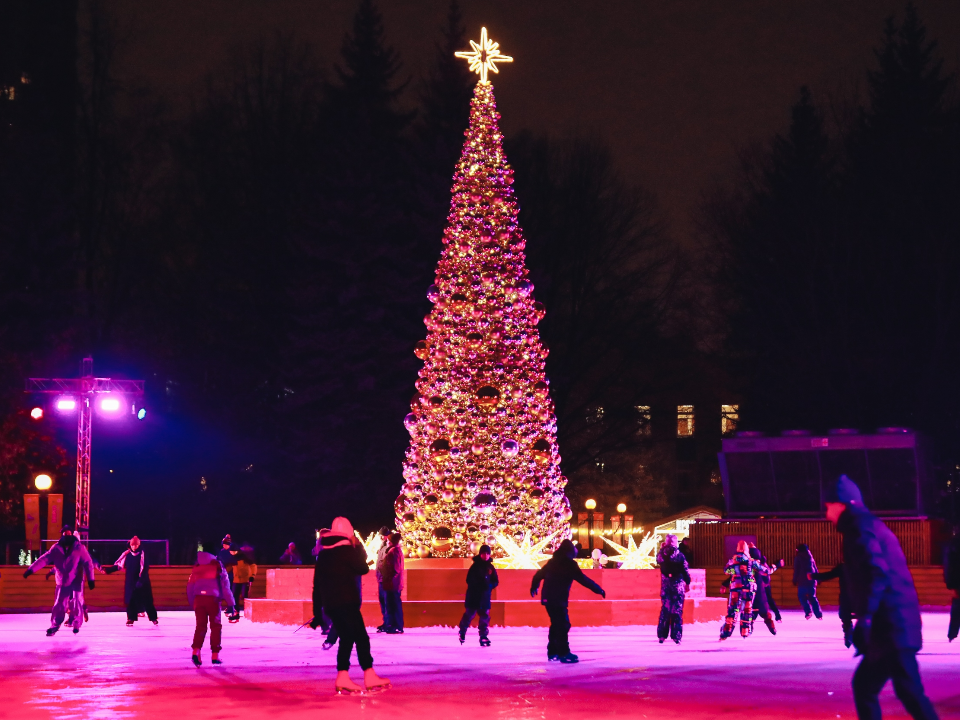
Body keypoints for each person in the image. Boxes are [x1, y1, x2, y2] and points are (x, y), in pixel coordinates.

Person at [826, 475, 939, 720]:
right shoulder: (866, 525)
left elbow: (876, 572)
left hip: (891, 625)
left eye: (828, 507)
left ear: (842, 503)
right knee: (891, 689)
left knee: (894, 690)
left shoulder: (859, 529)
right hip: (894, 623)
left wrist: (865, 618)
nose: (826, 515)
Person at [314, 516, 390, 695]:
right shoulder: (347, 550)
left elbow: (317, 584)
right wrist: (356, 547)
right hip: (347, 602)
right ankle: (369, 674)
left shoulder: (324, 553)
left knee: (347, 638)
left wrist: (318, 612)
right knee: (361, 638)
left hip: (331, 604)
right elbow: (363, 568)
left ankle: (342, 676)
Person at [530, 538, 605, 663]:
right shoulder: (570, 565)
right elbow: (584, 580)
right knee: (563, 624)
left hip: (548, 598)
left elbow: (538, 574)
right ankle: (563, 653)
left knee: (556, 624)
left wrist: (534, 586)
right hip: (558, 599)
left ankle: (553, 652)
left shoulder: (552, 562)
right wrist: (599, 590)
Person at [23, 524, 96, 635]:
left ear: (72, 534)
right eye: (64, 534)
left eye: (68, 533)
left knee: (77, 601)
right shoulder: (56, 548)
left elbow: (88, 563)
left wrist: (91, 579)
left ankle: (76, 623)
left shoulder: (79, 548)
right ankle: (55, 625)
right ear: (62, 535)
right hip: (63, 580)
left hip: (77, 579)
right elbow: (44, 559)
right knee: (59, 604)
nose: (66, 535)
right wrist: (31, 570)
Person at [186, 550, 236, 667]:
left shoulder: (197, 567)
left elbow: (190, 586)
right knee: (215, 626)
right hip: (213, 599)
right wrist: (231, 603)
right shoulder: (218, 566)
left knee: (200, 626)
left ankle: (196, 651)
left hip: (199, 599)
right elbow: (225, 586)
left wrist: (192, 601)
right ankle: (215, 655)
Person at [103, 536, 158, 626]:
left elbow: (144, 568)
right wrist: (108, 570)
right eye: (132, 545)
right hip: (130, 581)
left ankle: (153, 618)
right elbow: (119, 565)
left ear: (139, 545)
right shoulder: (127, 555)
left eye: (136, 545)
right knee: (130, 600)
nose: (134, 547)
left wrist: (141, 580)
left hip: (143, 581)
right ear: (130, 545)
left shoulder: (142, 554)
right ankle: (131, 618)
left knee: (147, 600)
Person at [458, 544, 499, 646]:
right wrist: (478, 584)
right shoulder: (475, 566)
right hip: (474, 596)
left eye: (487, 554)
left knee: (485, 617)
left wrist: (489, 585)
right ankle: (462, 632)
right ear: (480, 554)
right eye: (483, 553)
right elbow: (469, 580)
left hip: (485, 597)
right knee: (469, 615)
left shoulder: (490, 567)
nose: (485, 556)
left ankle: (483, 636)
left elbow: (496, 581)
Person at [720, 540, 761, 640]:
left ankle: (727, 630)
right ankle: (745, 631)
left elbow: (726, 570)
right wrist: (775, 566)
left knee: (733, 610)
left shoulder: (732, 561)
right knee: (747, 609)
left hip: (736, 588)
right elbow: (764, 570)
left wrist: (734, 570)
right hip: (749, 588)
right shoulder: (751, 562)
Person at [656, 534, 691, 644]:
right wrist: (688, 581)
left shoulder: (661, 553)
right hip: (677, 585)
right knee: (677, 610)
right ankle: (676, 636)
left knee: (665, 610)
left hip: (666, 586)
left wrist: (662, 548)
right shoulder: (679, 555)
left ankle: (662, 635)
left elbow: (658, 561)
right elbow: (684, 569)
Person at [748, 546, 779, 635]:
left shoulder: (746, 566)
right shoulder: (760, 567)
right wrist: (776, 565)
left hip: (750, 594)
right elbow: (767, 578)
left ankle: (749, 629)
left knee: (750, 614)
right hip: (761, 594)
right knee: (765, 614)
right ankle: (772, 628)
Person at [378, 532, 404, 634]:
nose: (387, 542)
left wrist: (388, 578)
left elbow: (395, 569)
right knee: (392, 604)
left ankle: (394, 625)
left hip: (392, 584)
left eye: (389, 541)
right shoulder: (394, 551)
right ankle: (392, 624)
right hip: (392, 583)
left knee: (392, 605)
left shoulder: (394, 552)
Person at [793, 543, 823, 620]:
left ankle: (808, 611)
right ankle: (819, 615)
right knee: (812, 597)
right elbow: (815, 568)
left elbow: (797, 570)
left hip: (802, 580)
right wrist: (818, 578)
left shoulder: (798, 558)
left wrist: (794, 579)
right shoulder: (810, 557)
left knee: (802, 597)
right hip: (812, 580)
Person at [230, 544, 257, 616]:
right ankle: (236, 611)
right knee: (234, 596)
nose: (232, 553)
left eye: (233, 552)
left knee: (245, 596)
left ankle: (247, 611)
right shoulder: (231, 558)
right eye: (231, 552)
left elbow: (253, 565)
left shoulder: (244, 557)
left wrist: (252, 576)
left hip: (245, 580)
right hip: (236, 580)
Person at [374, 526, 392, 633]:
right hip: (381, 578)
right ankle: (385, 622)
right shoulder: (382, 545)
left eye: (383, 535)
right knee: (383, 601)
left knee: (387, 602)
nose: (381, 537)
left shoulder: (389, 546)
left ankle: (388, 623)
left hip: (385, 579)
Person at [944, 526, 960, 642]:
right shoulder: (954, 544)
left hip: (956, 579)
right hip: (957, 579)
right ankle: (952, 633)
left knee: (957, 606)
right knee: (958, 605)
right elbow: (950, 564)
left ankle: (952, 633)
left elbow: (949, 564)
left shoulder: (953, 544)